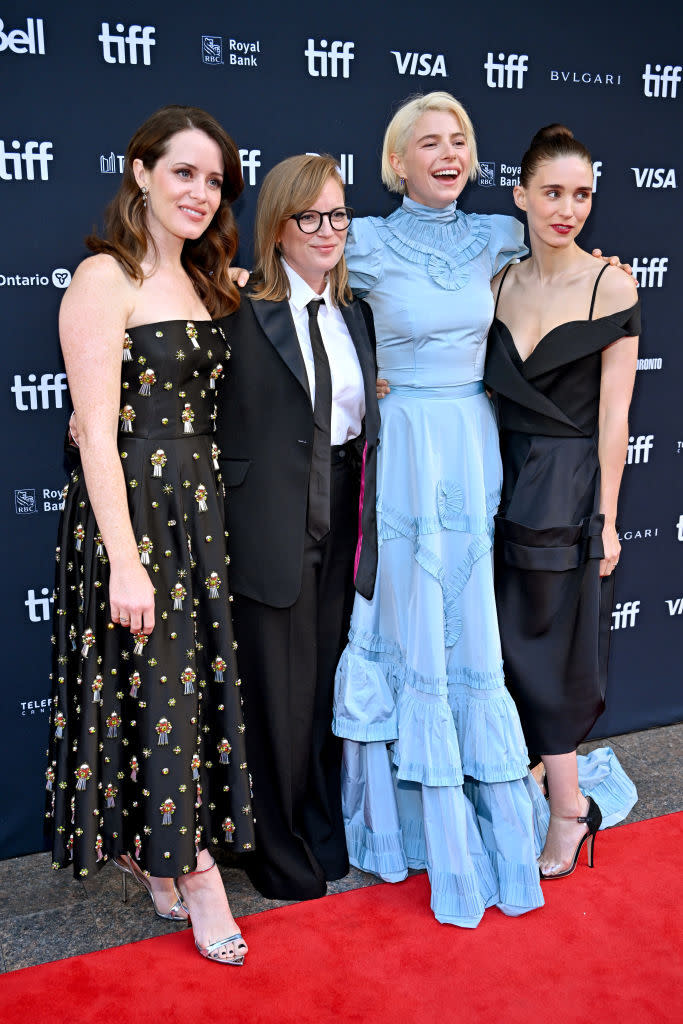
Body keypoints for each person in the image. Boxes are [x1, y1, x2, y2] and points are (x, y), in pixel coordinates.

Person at [331, 91, 632, 927]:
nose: (446, 152)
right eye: (427, 142)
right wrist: (364, 381)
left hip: (478, 445)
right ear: (396, 162)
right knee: (407, 622)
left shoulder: (501, 235)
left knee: (473, 622)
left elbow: (560, 268)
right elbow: (288, 306)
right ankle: (400, 825)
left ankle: (511, 789)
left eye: (458, 139)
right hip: (403, 452)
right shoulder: (361, 239)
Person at [45, 105, 256, 966]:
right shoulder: (105, 278)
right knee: (156, 688)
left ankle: (161, 852)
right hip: (132, 514)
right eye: (183, 173)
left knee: (178, 691)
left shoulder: (210, 281)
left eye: (214, 180)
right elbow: (93, 432)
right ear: (140, 172)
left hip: (197, 512)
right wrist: (125, 562)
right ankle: (198, 870)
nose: (200, 193)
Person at [214, 155, 380, 900]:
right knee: (272, 695)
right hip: (267, 523)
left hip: (341, 514)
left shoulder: (354, 314)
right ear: (277, 227)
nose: (325, 231)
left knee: (319, 689)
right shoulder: (235, 307)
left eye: (337, 215)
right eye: (307, 217)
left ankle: (317, 829)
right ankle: (266, 845)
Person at [484, 125, 640, 878]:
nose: (567, 208)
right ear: (519, 196)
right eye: (552, 192)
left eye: (581, 194)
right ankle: (543, 780)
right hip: (496, 479)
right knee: (499, 644)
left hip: (566, 485)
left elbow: (615, 416)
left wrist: (605, 515)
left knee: (547, 645)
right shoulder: (498, 283)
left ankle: (569, 810)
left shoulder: (613, 284)